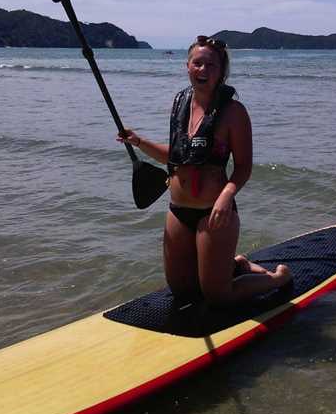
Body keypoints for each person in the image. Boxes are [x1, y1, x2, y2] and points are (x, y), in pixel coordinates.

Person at [118, 36, 291, 306]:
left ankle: (278, 278)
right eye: (197, 63)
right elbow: (176, 157)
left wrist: (226, 195)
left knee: (217, 296)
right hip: (178, 210)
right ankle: (237, 264)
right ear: (187, 66)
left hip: (215, 213)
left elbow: (244, 167)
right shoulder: (179, 103)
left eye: (211, 65)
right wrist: (139, 142)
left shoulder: (234, 112)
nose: (203, 70)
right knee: (183, 291)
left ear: (222, 72)